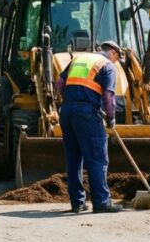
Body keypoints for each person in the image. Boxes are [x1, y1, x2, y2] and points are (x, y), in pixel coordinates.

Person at [53, 40, 123, 214]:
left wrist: (71, 101)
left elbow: (59, 85)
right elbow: (108, 96)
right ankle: (101, 202)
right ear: (113, 52)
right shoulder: (108, 66)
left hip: (67, 111)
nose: (116, 62)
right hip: (87, 113)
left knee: (73, 158)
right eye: (117, 58)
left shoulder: (78, 59)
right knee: (97, 157)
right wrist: (111, 118)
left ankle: (77, 202)